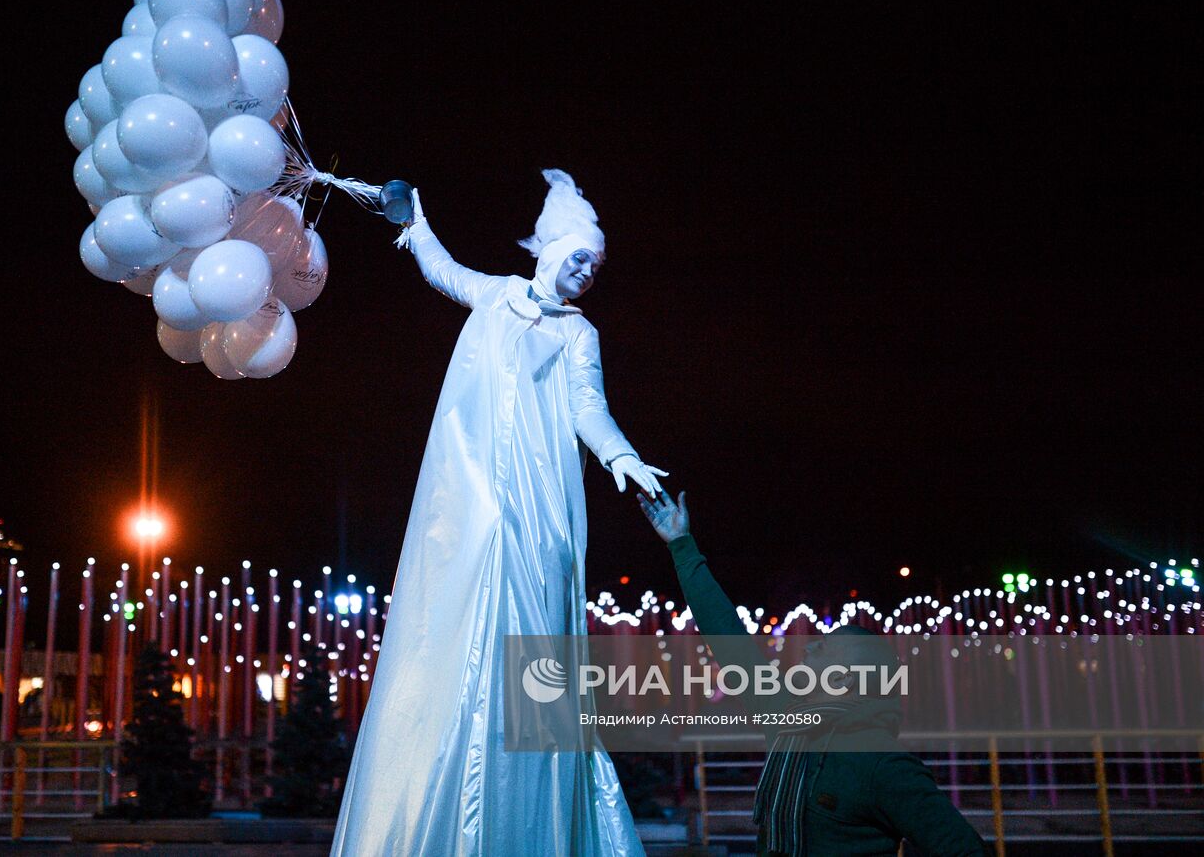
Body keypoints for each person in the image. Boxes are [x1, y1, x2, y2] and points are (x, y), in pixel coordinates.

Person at [330, 171, 666, 856]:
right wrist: (410, 219)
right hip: (475, 485)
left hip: (541, 499)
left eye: (594, 266)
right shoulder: (499, 298)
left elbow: (587, 407)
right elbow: (443, 271)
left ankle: (530, 792)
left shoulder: (579, 333)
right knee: (463, 609)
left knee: (531, 626)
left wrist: (620, 457)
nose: (585, 273)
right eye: (578, 257)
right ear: (548, 251)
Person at [637, 490, 988, 857]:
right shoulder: (789, 719)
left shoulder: (882, 764)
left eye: (822, 649)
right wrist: (682, 546)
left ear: (844, 679)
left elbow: (962, 848)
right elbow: (731, 642)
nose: (806, 649)